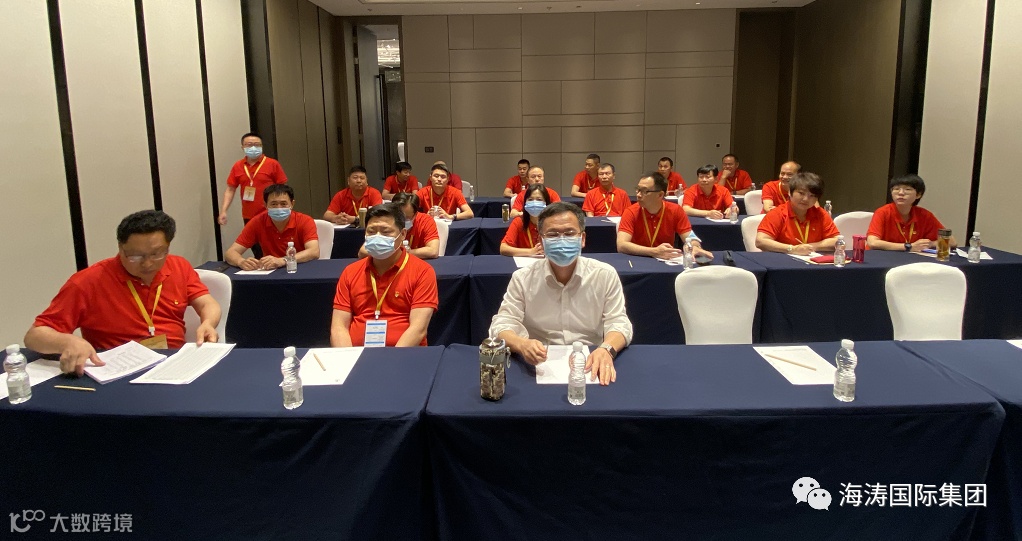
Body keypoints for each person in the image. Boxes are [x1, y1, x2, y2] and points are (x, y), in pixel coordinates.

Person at [25, 211, 221, 376]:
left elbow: (207, 303)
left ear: (168, 247)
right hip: (119, 371)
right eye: (135, 256)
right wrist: (68, 341)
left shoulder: (179, 266)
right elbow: (34, 336)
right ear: (120, 248)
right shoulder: (88, 282)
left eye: (156, 254)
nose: (147, 264)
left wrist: (208, 323)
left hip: (175, 363)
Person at [489, 202, 633, 385]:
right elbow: (502, 324)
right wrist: (522, 344)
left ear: (582, 238)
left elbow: (619, 322)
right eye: (553, 235)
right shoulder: (522, 278)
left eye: (570, 233)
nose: (562, 240)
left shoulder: (605, 274)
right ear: (541, 241)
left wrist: (607, 349)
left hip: (590, 361)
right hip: (538, 364)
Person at [330, 204, 438, 347]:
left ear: (403, 234)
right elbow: (338, 327)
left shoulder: (422, 271)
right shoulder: (350, 272)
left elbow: (418, 329)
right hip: (356, 355)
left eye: (386, 232)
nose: (377, 237)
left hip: (404, 355)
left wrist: (390, 359)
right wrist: (347, 358)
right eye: (371, 231)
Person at [219, 132, 288, 258]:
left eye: (257, 145)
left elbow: (282, 189)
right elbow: (230, 189)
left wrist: (282, 208)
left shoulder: (272, 164)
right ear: (242, 147)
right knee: (256, 249)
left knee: (272, 247)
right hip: (249, 215)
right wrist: (224, 211)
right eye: (249, 145)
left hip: (270, 213)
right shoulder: (238, 166)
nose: (253, 148)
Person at [617, 172, 713, 261]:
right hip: (638, 259)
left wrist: (695, 246)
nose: (638, 195)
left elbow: (689, 236)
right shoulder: (631, 212)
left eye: (644, 191)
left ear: (660, 195)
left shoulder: (675, 210)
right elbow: (621, 245)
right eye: (638, 189)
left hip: (666, 260)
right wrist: (654, 252)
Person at [225, 184, 320, 270]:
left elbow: (314, 251)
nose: (279, 208)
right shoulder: (257, 222)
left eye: (283, 204)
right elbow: (230, 252)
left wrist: (283, 260)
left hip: (300, 268)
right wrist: (241, 262)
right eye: (274, 204)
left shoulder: (305, 221)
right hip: (270, 271)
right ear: (265, 205)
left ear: (292, 204)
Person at [866, 174, 956, 251]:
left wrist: (930, 244)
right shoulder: (883, 212)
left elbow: (952, 242)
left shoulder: (924, 215)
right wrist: (909, 247)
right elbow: (872, 243)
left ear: (918, 195)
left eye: (907, 189)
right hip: (882, 257)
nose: (901, 193)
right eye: (896, 189)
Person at [756, 172, 840, 254]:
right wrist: (792, 249)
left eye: (812, 196)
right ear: (790, 192)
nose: (805, 199)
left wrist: (810, 247)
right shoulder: (777, 213)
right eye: (801, 193)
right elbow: (761, 241)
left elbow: (837, 241)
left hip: (812, 259)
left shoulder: (821, 214)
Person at [359, 192, 440, 259]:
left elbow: (433, 251)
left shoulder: (425, 220)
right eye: (398, 216)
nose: (402, 220)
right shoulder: (385, 222)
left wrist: (404, 253)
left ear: (415, 214)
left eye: (406, 217)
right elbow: (362, 252)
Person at [499, 184, 550, 257]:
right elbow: (503, 248)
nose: (534, 203)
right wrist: (531, 251)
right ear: (525, 202)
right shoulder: (519, 221)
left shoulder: (553, 223)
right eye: (530, 199)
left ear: (546, 203)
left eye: (539, 199)